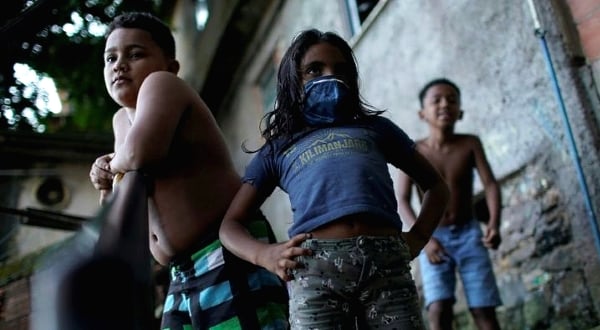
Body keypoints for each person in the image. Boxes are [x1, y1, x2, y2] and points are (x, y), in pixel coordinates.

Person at [219, 28, 450, 329]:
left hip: (387, 267)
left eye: (340, 70)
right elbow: (230, 225)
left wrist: (418, 237)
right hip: (314, 274)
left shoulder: (377, 129)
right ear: (292, 83)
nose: (329, 76)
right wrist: (266, 255)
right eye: (314, 70)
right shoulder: (278, 148)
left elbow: (436, 186)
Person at [88, 12, 289, 330]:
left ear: (171, 66)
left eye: (135, 54)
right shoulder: (120, 122)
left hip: (225, 248)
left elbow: (141, 153)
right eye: (110, 57)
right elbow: (118, 221)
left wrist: (111, 164)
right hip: (179, 272)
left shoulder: (163, 84)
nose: (119, 64)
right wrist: (105, 186)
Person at [396, 78, 503, 330]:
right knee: (439, 309)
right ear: (422, 113)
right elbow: (401, 198)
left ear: (461, 112)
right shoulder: (414, 151)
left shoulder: (470, 144)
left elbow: (490, 185)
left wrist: (495, 224)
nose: (445, 104)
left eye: (452, 100)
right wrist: (424, 238)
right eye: (436, 100)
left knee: (483, 308)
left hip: (469, 233)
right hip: (433, 237)